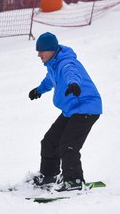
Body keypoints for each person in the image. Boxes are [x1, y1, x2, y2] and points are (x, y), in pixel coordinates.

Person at [28, 32, 102, 191]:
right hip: (72, 110)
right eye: (38, 51)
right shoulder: (53, 66)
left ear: (52, 49)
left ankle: (74, 181)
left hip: (86, 107)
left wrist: (74, 84)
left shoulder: (66, 62)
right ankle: (49, 176)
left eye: (42, 51)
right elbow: (50, 80)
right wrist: (39, 90)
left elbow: (71, 73)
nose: (39, 54)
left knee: (68, 145)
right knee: (49, 142)